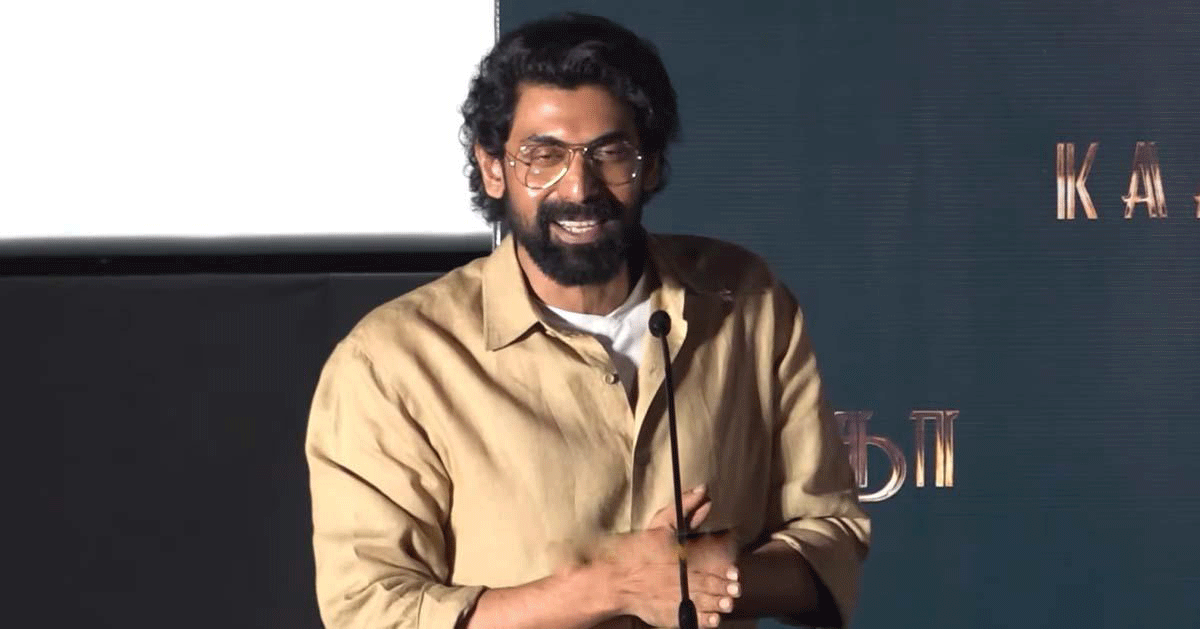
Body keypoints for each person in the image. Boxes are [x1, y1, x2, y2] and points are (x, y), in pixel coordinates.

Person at [305, 13, 869, 629]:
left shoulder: (747, 301)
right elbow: (370, 610)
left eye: (610, 153)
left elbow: (831, 535)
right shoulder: (392, 361)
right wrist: (611, 587)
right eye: (542, 156)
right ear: (493, 168)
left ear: (652, 164)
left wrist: (713, 577)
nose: (578, 187)